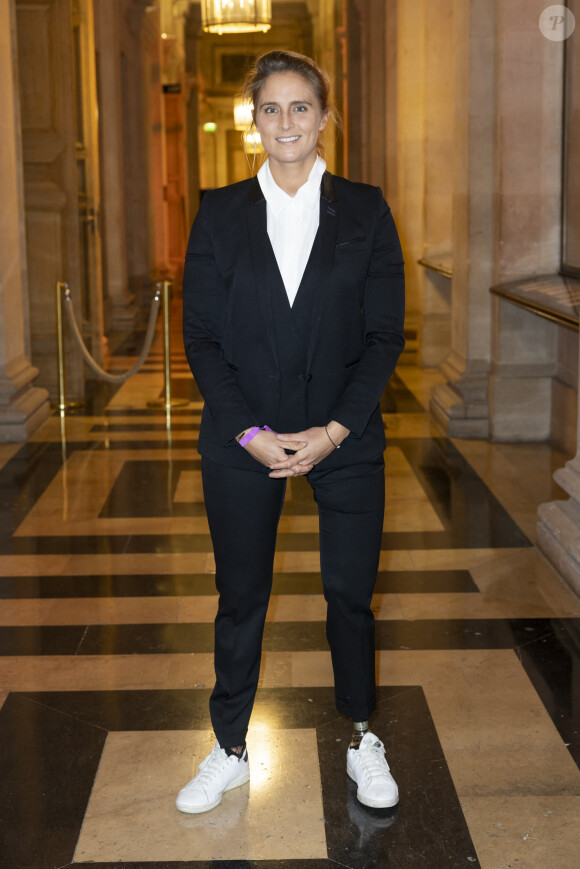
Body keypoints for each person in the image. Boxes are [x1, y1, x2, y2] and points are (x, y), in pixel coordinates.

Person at [177, 49, 405, 815]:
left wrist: (333, 431)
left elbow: (384, 338)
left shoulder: (367, 210)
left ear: (325, 116)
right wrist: (249, 433)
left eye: (300, 107)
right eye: (270, 108)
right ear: (253, 121)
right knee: (241, 595)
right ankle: (231, 747)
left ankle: (363, 735)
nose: (286, 122)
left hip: (345, 438)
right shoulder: (216, 212)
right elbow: (201, 337)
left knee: (349, 595)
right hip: (243, 445)